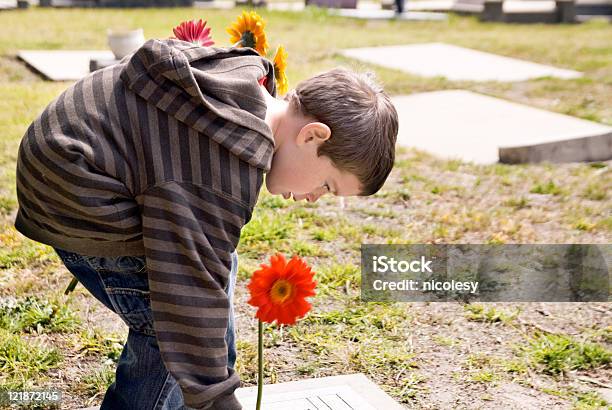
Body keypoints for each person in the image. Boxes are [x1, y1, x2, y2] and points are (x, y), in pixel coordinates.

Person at [13, 38, 398, 409]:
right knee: (167, 335)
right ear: (313, 135)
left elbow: (207, 264)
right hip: (76, 195)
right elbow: (185, 298)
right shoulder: (223, 168)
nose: (315, 198)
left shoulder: (241, 83)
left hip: (62, 160)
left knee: (216, 268)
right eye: (327, 185)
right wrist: (217, 399)